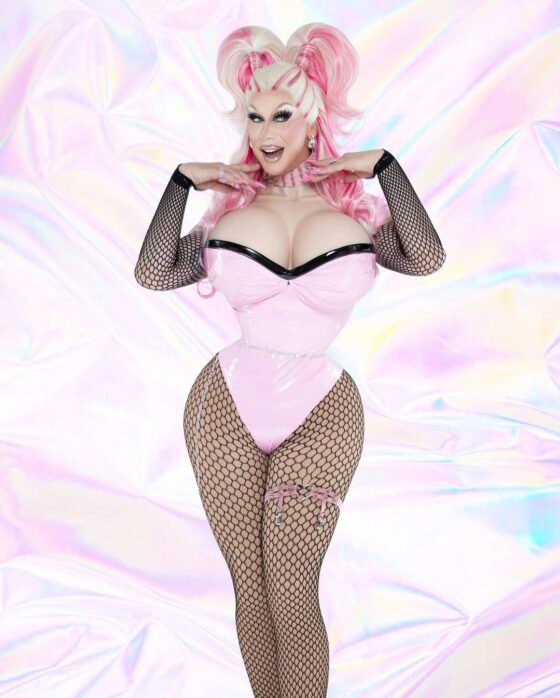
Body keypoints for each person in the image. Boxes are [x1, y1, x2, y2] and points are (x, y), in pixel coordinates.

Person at [134, 22, 446, 698]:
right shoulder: (226, 214)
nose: (265, 132)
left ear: (314, 121)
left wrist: (387, 170)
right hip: (225, 400)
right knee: (252, 587)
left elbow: (425, 257)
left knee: (292, 584)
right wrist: (182, 183)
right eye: (254, 116)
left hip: (321, 405)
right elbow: (154, 272)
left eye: (282, 115)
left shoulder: (359, 216)